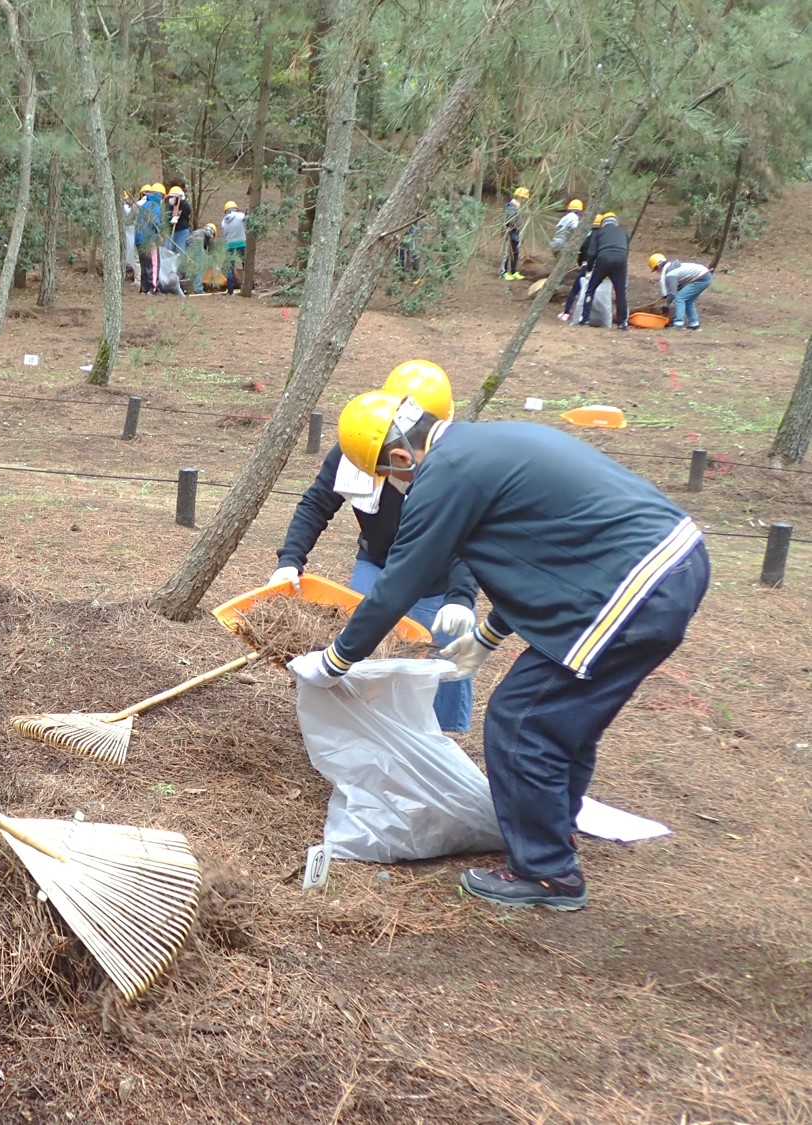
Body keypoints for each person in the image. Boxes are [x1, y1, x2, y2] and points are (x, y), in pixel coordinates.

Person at [302, 390, 708, 911]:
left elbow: (402, 578)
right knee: (559, 718)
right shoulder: (484, 445)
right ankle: (552, 834)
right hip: (662, 566)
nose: (398, 487)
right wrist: (488, 636)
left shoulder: (445, 474)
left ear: (401, 458)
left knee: (523, 720)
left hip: (634, 582)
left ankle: (546, 874)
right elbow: (539, 556)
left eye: (391, 475)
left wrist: (337, 659)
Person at [269, 361, 476, 733]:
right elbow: (317, 503)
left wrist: (460, 595)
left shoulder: (458, 462)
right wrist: (290, 560)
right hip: (378, 563)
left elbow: (470, 535)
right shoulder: (362, 442)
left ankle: (442, 737)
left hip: (439, 579)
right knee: (363, 647)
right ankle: (364, 724)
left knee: (443, 662)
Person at [579, 211, 629, 330]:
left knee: (590, 289)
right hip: (621, 260)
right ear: (616, 222)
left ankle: (585, 318)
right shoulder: (624, 233)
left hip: (604, 259)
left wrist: (590, 268)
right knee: (620, 292)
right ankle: (622, 322)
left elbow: (591, 253)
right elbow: (626, 251)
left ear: (603, 223)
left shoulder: (598, 232)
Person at [649, 253, 713, 330]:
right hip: (705, 277)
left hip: (701, 278)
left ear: (658, 266)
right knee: (688, 301)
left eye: (655, 269)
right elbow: (676, 287)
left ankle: (679, 323)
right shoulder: (671, 268)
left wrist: (667, 304)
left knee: (679, 298)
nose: (657, 271)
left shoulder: (670, 273)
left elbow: (672, 293)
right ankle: (694, 324)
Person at [559, 213, 603, 322]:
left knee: (575, 290)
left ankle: (566, 312)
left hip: (585, 266)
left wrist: (580, 263)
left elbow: (581, 251)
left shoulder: (587, 237)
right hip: (598, 268)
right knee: (594, 291)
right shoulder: (603, 239)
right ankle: (591, 315)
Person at [134, 184, 164, 294]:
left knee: (144, 265)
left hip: (139, 239)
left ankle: (144, 288)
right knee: (154, 264)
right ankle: (153, 288)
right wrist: (160, 230)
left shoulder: (144, 205)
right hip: (149, 240)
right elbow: (156, 222)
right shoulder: (155, 206)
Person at [501, 186, 529, 279]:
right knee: (507, 253)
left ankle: (513, 272)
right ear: (519, 197)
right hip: (509, 233)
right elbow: (509, 221)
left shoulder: (519, 207)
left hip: (516, 235)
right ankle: (504, 272)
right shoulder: (511, 206)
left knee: (515, 253)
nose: (525, 201)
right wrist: (516, 227)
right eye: (524, 199)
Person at [221, 200, 247, 295]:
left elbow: (225, 235)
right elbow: (247, 219)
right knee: (246, 266)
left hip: (229, 246)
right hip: (242, 244)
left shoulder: (223, 222)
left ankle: (230, 290)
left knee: (230, 268)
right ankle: (250, 286)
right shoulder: (240, 215)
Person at [184, 221, 216, 294]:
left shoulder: (199, 232)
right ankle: (198, 288)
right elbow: (211, 248)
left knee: (194, 266)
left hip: (188, 242)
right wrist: (210, 257)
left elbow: (204, 246)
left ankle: (191, 286)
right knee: (201, 266)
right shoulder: (209, 234)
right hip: (196, 243)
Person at [164, 185, 192, 255]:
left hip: (182, 232)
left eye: (172, 197)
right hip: (170, 233)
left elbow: (187, 211)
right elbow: (166, 217)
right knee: (167, 251)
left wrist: (183, 201)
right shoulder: (168, 207)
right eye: (170, 197)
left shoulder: (183, 205)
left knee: (181, 252)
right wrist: (171, 220)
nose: (171, 199)